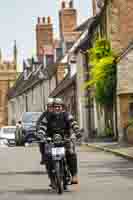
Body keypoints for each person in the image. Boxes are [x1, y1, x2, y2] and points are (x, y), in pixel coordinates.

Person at [37, 97, 81, 184]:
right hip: (51, 141)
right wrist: (41, 134)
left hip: (65, 139)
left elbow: (73, 123)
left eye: (59, 106)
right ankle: (52, 178)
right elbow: (42, 126)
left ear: (62, 107)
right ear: (52, 108)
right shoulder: (48, 117)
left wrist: (77, 131)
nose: (57, 108)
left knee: (71, 153)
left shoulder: (66, 115)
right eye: (55, 106)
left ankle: (74, 175)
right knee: (47, 157)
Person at [36, 98, 54, 164]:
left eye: (52, 106)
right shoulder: (44, 114)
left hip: (58, 134)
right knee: (42, 143)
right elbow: (39, 122)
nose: (50, 107)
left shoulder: (59, 113)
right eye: (49, 106)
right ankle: (44, 156)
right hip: (47, 133)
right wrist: (39, 131)